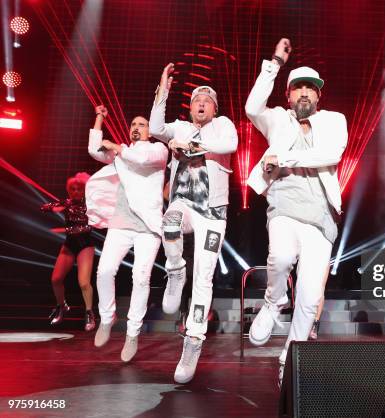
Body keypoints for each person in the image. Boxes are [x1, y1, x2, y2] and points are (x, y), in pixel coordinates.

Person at [245, 38, 348, 387]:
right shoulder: (276, 119)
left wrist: (284, 158)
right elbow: (251, 106)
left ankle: (291, 358)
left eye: (311, 88)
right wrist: (274, 63)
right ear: (288, 95)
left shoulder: (334, 120)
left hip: (322, 217)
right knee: (282, 254)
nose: (305, 93)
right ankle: (273, 302)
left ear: (319, 95)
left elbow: (330, 154)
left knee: (309, 298)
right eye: (298, 88)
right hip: (285, 206)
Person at [149, 64, 238, 383]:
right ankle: (174, 270)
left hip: (213, 213)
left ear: (215, 108)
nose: (201, 103)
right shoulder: (180, 127)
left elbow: (230, 145)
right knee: (169, 222)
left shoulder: (223, 126)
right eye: (196, 99)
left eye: (207, 100)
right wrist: (163, 90)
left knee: (203, 277)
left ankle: (193, 341)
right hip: (183, 204)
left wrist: (193, 148)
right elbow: (156, 128)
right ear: (189, 108)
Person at [86, 105, 168, 362]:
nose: (136, 127)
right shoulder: (121, 154)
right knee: (104, 271)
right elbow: (94, 150)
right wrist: (100, 118)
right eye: (133, 124)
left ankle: (132, 332)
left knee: (140, 277)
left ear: (149, 131)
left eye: (141, 124)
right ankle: (107, 317)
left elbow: (141, 159)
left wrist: (117, 147)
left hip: (148, 226)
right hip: (121, 221)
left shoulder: (158, 150)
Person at [41, 172, 96, 331]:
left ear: (85, 189)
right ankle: (61, 306)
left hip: (85, 245)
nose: (76, 191)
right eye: (72, 188)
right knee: (55, 279)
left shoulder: (91, 205)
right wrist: (54, 207)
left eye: (79, 188)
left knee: (84, 283)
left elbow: (88, 227)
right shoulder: (67, 203)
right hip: (69, 245)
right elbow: (44, 206)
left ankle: (89, 312)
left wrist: (64, 228)